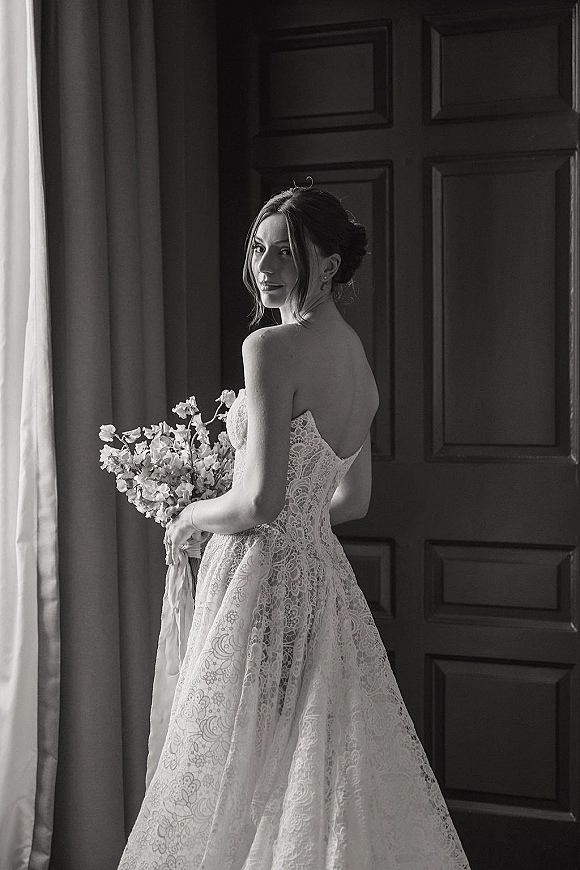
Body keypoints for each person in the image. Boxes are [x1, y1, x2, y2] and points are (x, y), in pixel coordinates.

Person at [117, 185, 471, 869]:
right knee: (308, 763)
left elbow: (258, 504)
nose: (264, 266)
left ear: (330, 265)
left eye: (285, 252)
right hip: (322, 582)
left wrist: (190, 514)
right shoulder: (361, 368)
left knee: (234, 765)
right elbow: (354, 499)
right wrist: (287, 514)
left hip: (258, 578)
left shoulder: (271, 347)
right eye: (258, 248)